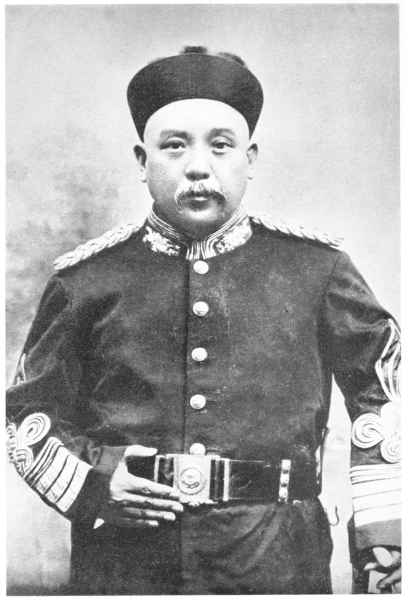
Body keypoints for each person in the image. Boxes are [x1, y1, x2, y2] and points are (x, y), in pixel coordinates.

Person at [6, 46, 401, 594]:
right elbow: (28, 416)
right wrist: (94, 482)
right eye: (174, 145)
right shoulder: (86, 281)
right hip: (124, 564)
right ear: (142, 162)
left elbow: (384, 391)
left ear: (250, 159)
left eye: (220, 145)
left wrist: (384, 530)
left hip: (276, 559)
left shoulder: (317, 269)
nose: (197, 166)